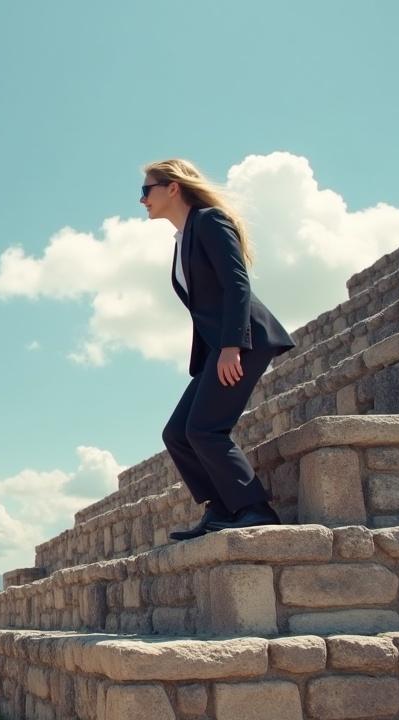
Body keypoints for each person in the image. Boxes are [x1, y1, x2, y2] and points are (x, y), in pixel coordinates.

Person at [141, 158, 296, 540]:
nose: (141, 199)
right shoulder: (183, 240)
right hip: (219, 348)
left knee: (206, 428)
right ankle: (222, 508)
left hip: (244, 341)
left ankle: (255, 509)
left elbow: (236, 283)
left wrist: (231, 346)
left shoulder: (209, 221)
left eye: (147, 190)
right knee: (177, 433)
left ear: (172, 187)